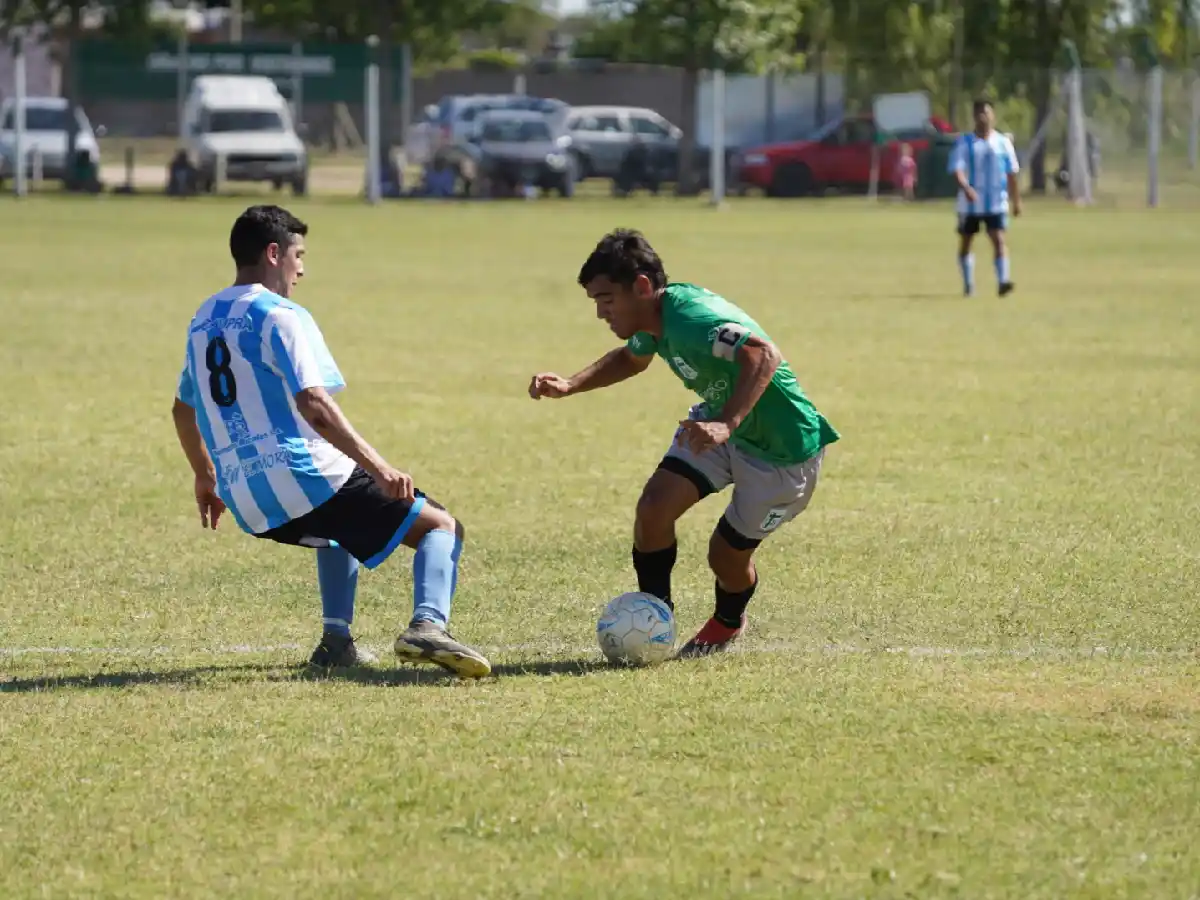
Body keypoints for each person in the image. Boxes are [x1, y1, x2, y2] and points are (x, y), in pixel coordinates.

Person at [170, 204, 491, 678]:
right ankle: (428, 627)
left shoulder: (203, 319)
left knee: (338, 529)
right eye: (298, 255)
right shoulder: (280, 315)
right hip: (302, 475)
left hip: (245, 497)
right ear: (274, 253)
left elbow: (183, 408)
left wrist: (205, 476)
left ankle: (336, 644)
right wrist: (380, 467)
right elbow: (315, 405)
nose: (301, 269)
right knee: (441, 526)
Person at [528, 230, 840, 657]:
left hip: (782, 450)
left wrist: (727, 423)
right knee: (653, 508)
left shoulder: (694, 319)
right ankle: (657, 620)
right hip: (718, 424)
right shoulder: (653, 320)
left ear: (641, 286)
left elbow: (763, 354)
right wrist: (570, 384)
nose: (601, 312)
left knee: (725, 557)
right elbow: (632, 358)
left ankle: (728, 621)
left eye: (606, 299)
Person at [949, 99, 1022, 298]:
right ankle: (968, 284)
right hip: (969, 204)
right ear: (974, 117)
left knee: (998, 240)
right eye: (979, 113)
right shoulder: (964, 142)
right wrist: (966, 188)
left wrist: (1016, 201)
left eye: (987, 113)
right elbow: (957, 169)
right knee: (966, 241)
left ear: (993, 115)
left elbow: (1012, 174)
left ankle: (1003, 281)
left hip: (996, 202)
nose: (983, 117)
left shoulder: (1003, 142)